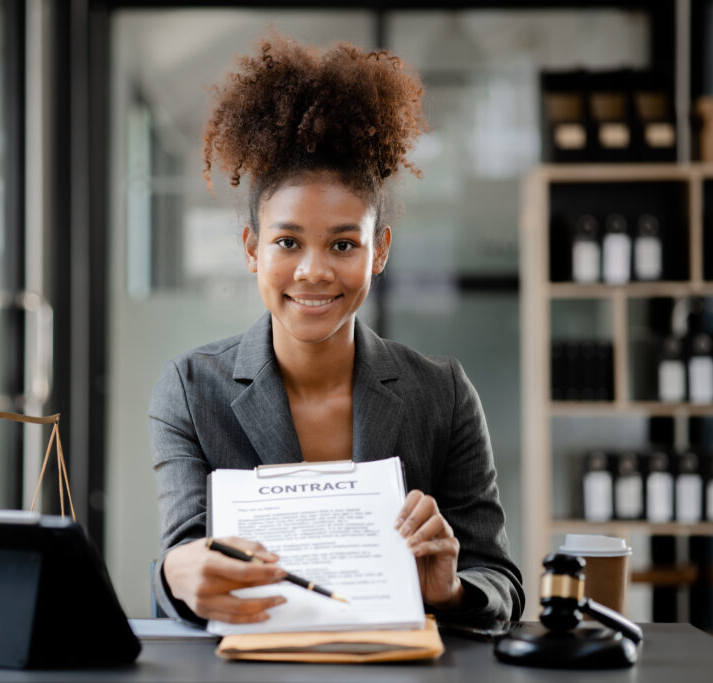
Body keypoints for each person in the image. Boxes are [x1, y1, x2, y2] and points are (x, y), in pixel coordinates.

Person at [149, 34, 524, 627]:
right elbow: (181, 562)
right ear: (251, 248)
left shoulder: (442, 394)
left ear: (380, 252)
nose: (314, 271)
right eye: (287, 242)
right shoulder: (193, 390)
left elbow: (499, 581)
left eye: (344, 243)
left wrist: (448, 589)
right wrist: (177, 573)